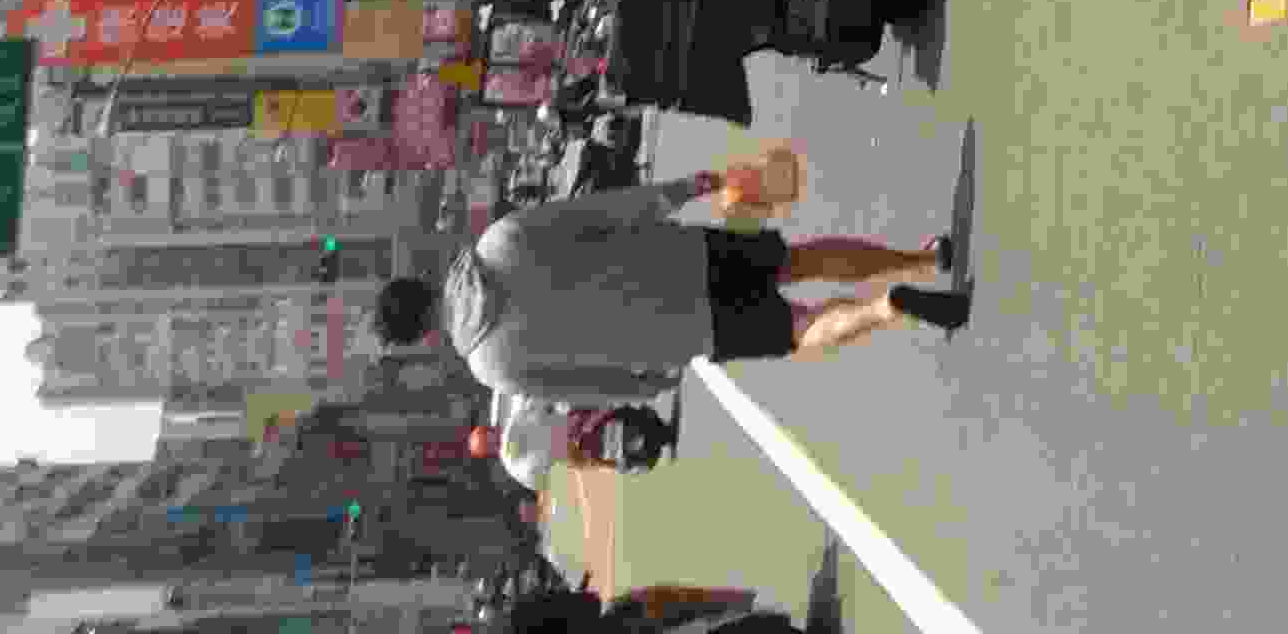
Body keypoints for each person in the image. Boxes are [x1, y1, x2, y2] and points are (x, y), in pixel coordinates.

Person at [378, 160, 966, 391]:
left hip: (678, 330)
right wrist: (679, 191)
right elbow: (599, 211)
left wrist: (640, 387)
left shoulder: (492, 367)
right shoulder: (499, 240)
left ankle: (884, 308)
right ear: (425, 281)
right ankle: (920, 261)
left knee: (797, 329)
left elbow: (582, 385)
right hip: (681, 254)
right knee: (800, 260)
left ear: (425, 336)